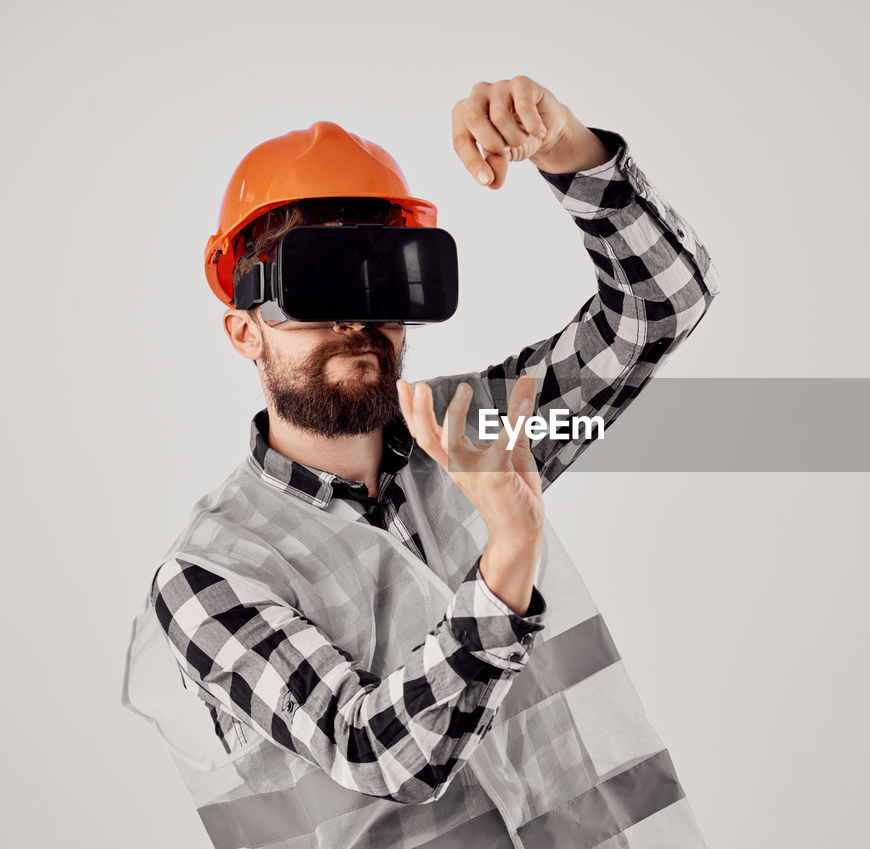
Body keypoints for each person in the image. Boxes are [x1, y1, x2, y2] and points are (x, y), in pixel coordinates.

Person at [120, 75, 720, 849]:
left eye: (377, 275)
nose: (354, 317)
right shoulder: (209, 577)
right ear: (244, 330)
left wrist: (567, 148)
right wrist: (507, 558)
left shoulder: (473, 429)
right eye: (314, 283)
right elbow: (377, 750)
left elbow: (661, 308)